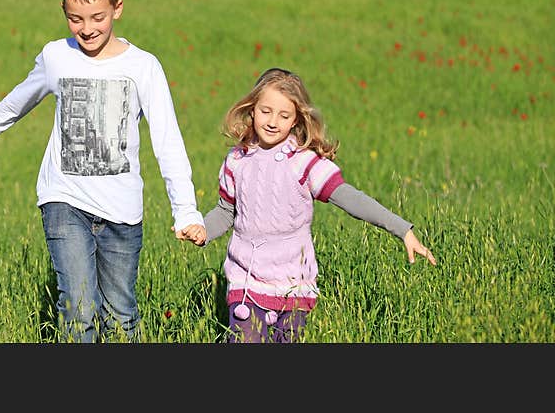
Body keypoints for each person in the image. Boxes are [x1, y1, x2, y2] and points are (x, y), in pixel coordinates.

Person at [0, 0, 206, 342]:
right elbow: (15, 103)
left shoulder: (143, 67)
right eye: (76, 19)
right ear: (64, 12)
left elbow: (167, 140)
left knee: (121, 315)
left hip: (122, 210)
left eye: (97, 17)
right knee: (78, 310)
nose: (87, 28)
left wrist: (185, 209)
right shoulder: (56, 57)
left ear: (117, 9)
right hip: (64, 200)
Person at [177, 67, 435, 343]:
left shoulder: (303, 161)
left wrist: (401, 229)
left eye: (284, 115)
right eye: (266, 111)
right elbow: (227, 211)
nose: (273, 121)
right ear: (252, 110)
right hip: (246, 280)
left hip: (294, 283)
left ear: (296, 120)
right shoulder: (236, 161)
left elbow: (350, 198)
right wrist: (202, 230)